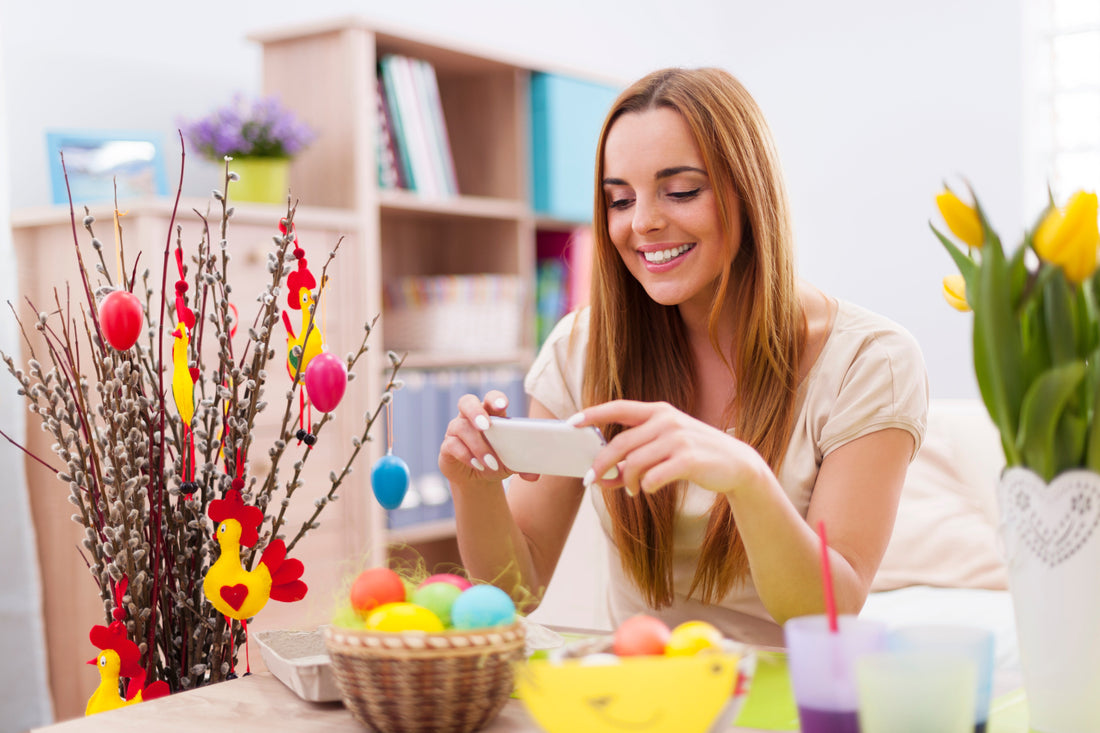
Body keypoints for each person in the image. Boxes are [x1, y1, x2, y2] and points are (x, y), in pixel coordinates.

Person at [438, 67, 928, 646]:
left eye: (681, 191)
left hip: (785, 697)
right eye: (620, 199)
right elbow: (518, 589)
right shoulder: (582, 348)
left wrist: (746, 478)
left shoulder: (870, 362)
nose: (642, 222)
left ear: (750, 191)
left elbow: (831, 611)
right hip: (641, 694)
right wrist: (475, 488)